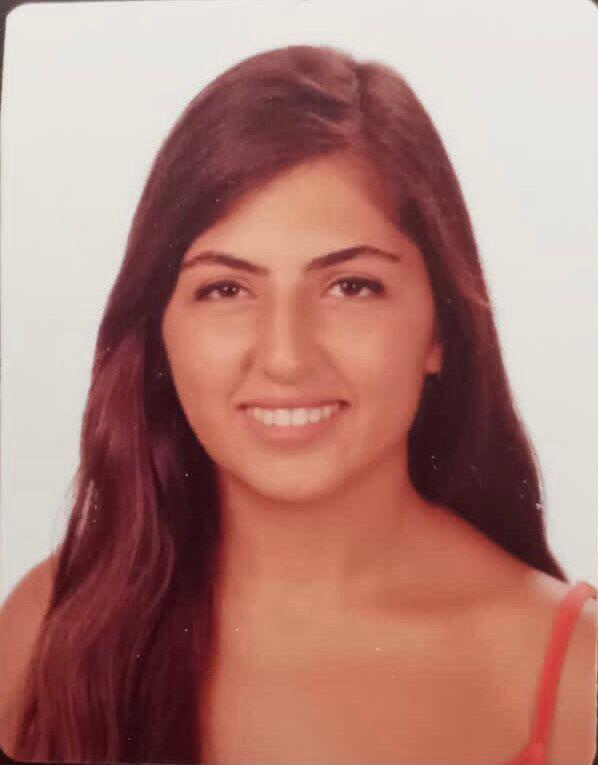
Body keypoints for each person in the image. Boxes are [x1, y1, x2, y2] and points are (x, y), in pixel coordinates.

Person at [0, 44, 595, 765]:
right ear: (158, 332)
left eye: (351, 287)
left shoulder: (575, 676)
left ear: (440, 328)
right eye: (226, 289)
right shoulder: (49, 629)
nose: (285, 358)